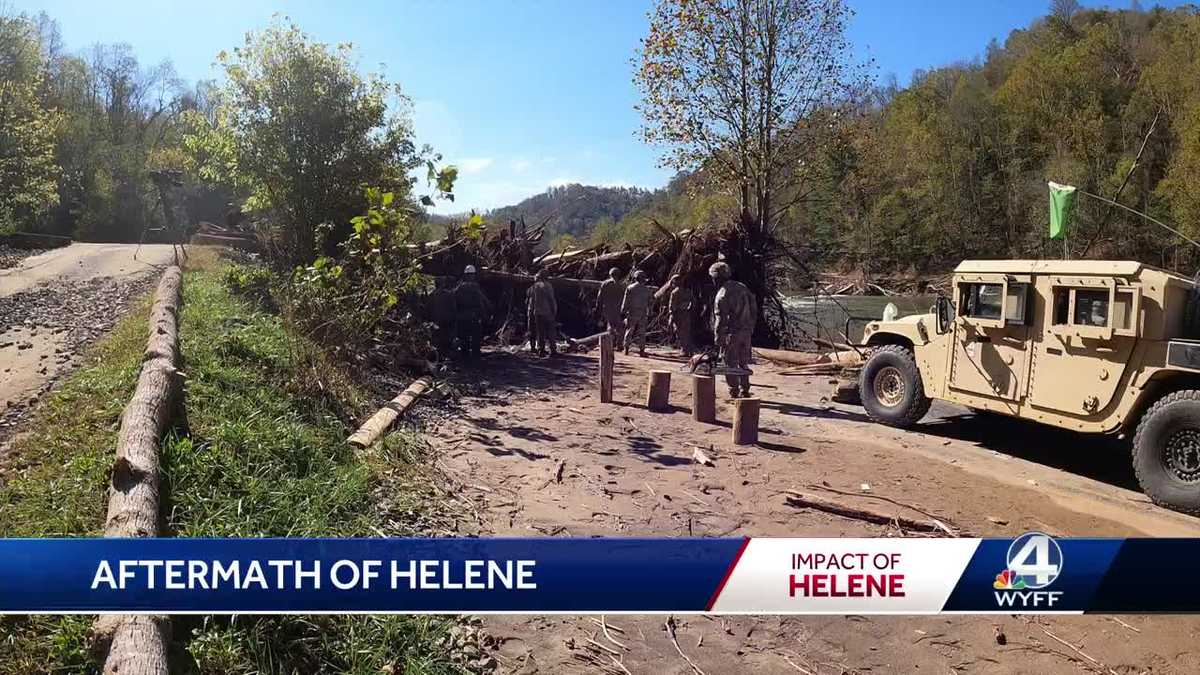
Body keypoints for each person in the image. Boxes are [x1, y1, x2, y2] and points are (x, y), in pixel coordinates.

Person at [710, 262, 756, 398]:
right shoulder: (742, 287)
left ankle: (734, 391)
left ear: (716, 277)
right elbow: (754, 308)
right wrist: (751, 326)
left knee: (729, 363)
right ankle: (745, 388)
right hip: (746, 332)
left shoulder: (722, 294)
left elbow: (721, 319)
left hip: (732, 333)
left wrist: (718, 337)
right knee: (743, 361)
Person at [453, 264, 490, 358]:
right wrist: (485, 314)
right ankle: (475, 356)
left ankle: (465, 355)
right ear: (473, 275)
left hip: (462, 316)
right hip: (473, 316)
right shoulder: (475, 287)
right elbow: (482, 301)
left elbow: (454, 300)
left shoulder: (459, 287)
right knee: (475, 338)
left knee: (464, 337)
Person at [621, 270, 653, 357]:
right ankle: (642, 351)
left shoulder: (630, 288)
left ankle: (626, 349)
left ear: (635, 278)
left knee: (629, 331)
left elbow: (625, 301)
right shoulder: (647, 289)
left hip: (632, 312)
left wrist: (623, 310)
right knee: (642, 332)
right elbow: (650, 303)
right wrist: (650, 312)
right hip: (643, 313)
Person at [528, 270, 558, 356]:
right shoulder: (548, 286)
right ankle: (553, 349)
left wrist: (532, 312)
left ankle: (541, 350)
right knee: (551, 331)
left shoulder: (534, 287)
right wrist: (554, 310)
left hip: (538, 312)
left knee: (540, 332)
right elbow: (551, 299)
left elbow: (532, 301)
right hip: (548, 312)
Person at [427, 276, 457, 359]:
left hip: (436, 322)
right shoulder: (448, 295)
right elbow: (454, 309)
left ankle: (439, 358)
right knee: (447, 342)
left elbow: (427, 310)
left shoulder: (431, 295)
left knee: (437, 343)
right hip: (447, 323)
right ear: (443, 284)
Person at [596, 267, 626, 350]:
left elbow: (599, 297)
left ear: (610, 274)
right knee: (620, 326)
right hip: (618, 309)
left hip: (607, 309)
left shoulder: (605, 284)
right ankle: (619, 344)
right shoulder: (622, 285)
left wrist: (598, 307)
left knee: (610, 326)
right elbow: (625, 297)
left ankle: (611, 344)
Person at [666, 274, 696, 357]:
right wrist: (689, 309)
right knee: (686, 332)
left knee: (679, 332)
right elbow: (693, 302)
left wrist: (671, 315)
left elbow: (671, 306)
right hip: (686, 314)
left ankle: (684, 350)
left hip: (678, 314)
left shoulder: (675, 292)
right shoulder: (688, 291)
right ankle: (689, 349)